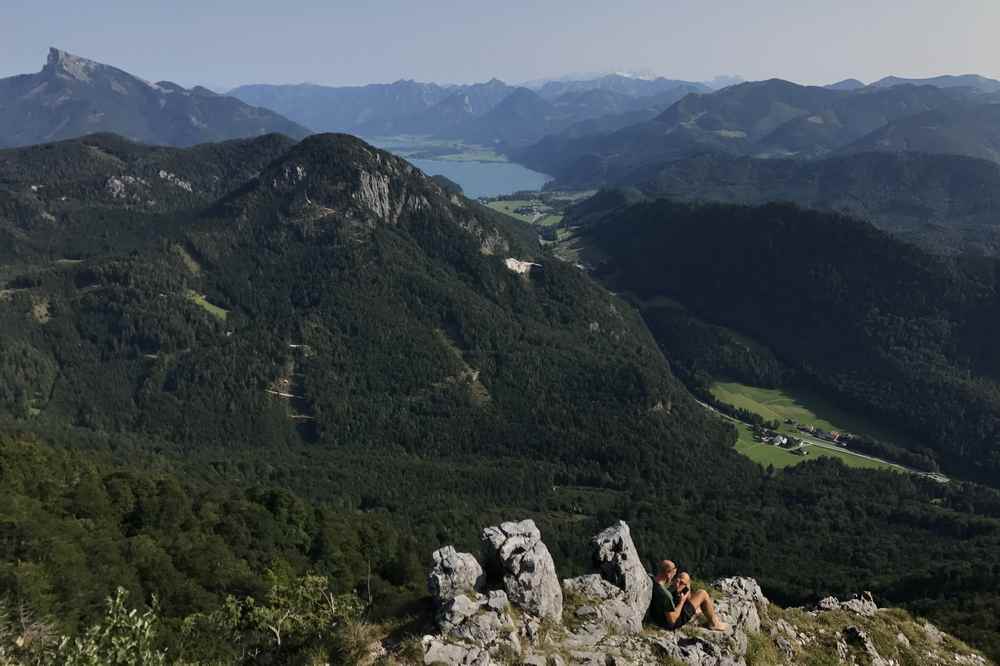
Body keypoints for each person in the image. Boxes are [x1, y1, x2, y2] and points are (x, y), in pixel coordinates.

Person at [650, 570, 729, 632]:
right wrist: (682, 601)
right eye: (678, 581)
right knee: (702, 593)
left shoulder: (662, 587)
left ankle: (689, 591)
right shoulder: (667, 595)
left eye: (681, 582)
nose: (678, 583)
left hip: (665, 617)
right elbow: (672, 619)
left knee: (685, 576)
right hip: (673, 622)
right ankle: (714, 624)